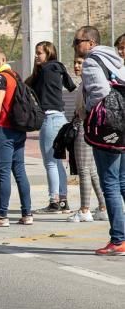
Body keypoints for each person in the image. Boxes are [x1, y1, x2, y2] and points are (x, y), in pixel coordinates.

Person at [74, 26, 125, 255]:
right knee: (122, 181)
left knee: (110, 183)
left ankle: (118, 239)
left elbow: (99, 93)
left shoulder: (92, 62)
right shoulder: (117, 60)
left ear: (91, 42)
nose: (75, 46)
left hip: (107, 129)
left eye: (77, 41)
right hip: (123, 126)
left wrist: (87, 112)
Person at [25, 41, 76, 213]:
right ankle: (62, 202)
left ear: (49, 53)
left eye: (40, 53)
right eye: (36, 52)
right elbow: (70, 87)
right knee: (57, 163)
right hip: (59, 118)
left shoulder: (48, 70)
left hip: (51, 119)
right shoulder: (57, 68)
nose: (36, 56)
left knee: (50, 163)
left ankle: (54, 201)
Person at [0, 47, 32, 227]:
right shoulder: (15, 75)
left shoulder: (0, 78)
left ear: (2, 60)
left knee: (3, 173)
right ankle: (27, 213)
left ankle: (2, 216)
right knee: (20, 171)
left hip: (4, 129)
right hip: (19, 129)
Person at [67, 55, 107, 223]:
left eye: (80, 63)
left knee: (84, 169)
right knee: (91, 170)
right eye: (75, 62)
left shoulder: (87, 85)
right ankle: (103, 207)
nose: (76, 66)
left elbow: (82, 109)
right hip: (90, 127)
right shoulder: (87, 84)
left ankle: (84, 209)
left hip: (84, 126)